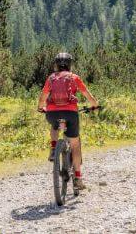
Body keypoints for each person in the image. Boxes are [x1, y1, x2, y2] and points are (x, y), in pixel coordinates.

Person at [37, 51, 99, 189]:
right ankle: (77, 178)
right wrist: (94, 106)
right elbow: (87, 94)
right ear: (70, 65)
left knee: (54, 126)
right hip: (70, 113)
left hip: (53, 112)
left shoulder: (51, 78)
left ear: (56, 65)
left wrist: (41, 108)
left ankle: (54, 148)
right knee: (75, 145)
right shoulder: (74, 77)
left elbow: (43, 97)